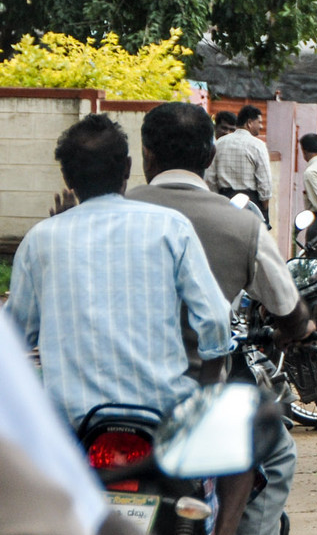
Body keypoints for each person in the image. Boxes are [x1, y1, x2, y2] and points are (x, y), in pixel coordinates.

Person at [126, 103, 310, 535]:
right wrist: (297, 327)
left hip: (109, 393)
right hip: (191, 398)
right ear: (210, 154)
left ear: (146, 153)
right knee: (273, 450)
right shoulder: (242, 225)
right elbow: (289, 309)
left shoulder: (111, 210)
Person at [8, 114, 234, 429]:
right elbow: (215, 318)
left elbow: (13, 337)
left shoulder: (40, 240)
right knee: (243, 448)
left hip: (71, 423)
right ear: (128, 167)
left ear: (67, 178)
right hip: (162, 415)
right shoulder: (170, 227)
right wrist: (209, 389)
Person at [0, 314, 227, 535]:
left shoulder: (37, 268)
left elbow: (20, 325)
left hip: (76, 424)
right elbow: (216, 317)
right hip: (162, 421)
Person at [205, 106, 272, 216]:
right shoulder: (258, 145)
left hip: (224, 201)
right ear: (249, 122)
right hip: (251, 204)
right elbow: (265, 183)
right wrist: (264, 209)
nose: (261, 126)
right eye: (259, 122)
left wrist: (218, 200)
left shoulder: (219, 143)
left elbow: (210, 178)